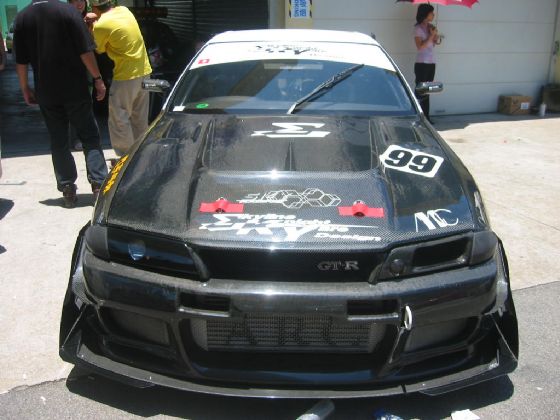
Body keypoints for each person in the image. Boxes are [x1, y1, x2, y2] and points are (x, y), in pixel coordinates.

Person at [14, 0, 109, 208]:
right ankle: (98, 185)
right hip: (75, 89)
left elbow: (20, 60)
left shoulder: (22, 18)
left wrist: (25, 87)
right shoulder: (68, 12)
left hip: (47, 92)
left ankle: (67, 188)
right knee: (89, 136)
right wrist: (97, 78)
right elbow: (85, 51)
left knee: (58, 139)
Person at [88, 0, 152, 158]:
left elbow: (98, 49)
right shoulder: (125, 10)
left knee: (119, 117)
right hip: (144, 71)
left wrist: (91, 26)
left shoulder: (101, 25)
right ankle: (141, 155)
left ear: (94, 7)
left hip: (125, 77)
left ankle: (126, 157)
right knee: (139, 118)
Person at [414, 4, 440, 124]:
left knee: (428, 90)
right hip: (422, 63)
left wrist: (435, 36)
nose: (433, 15)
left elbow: (434, 44)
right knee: (421, 91)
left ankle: (426, 118)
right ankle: (418, 116)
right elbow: (420, 46)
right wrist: (431, 36)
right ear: (425, 14)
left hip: (431, 62)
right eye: (431, 13)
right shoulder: (418, 28)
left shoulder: (430, 27)